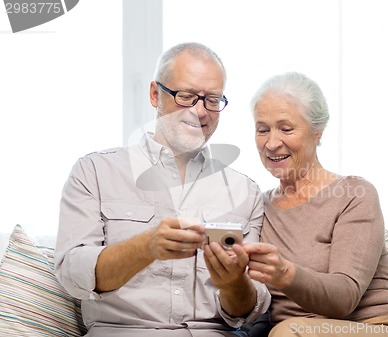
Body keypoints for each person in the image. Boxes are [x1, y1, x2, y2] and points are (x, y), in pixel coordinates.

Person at [54, 42, 270, 337]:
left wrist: (234, 283)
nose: (199, 111)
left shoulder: (246, 192)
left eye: (212, 100)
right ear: (156, 94)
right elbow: (72, 274)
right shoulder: (94, 172)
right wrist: (145, 247)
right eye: (186, 96)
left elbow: (246, 311)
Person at [243, 72, 388, 337]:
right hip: (291, 332)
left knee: (289, 333)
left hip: (373, 328)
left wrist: (285, 273)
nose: (272, 143)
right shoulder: (258, 208)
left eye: (286, 128)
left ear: (317, 132)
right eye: (262, 129)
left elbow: (344, 297)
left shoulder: (355, 194)